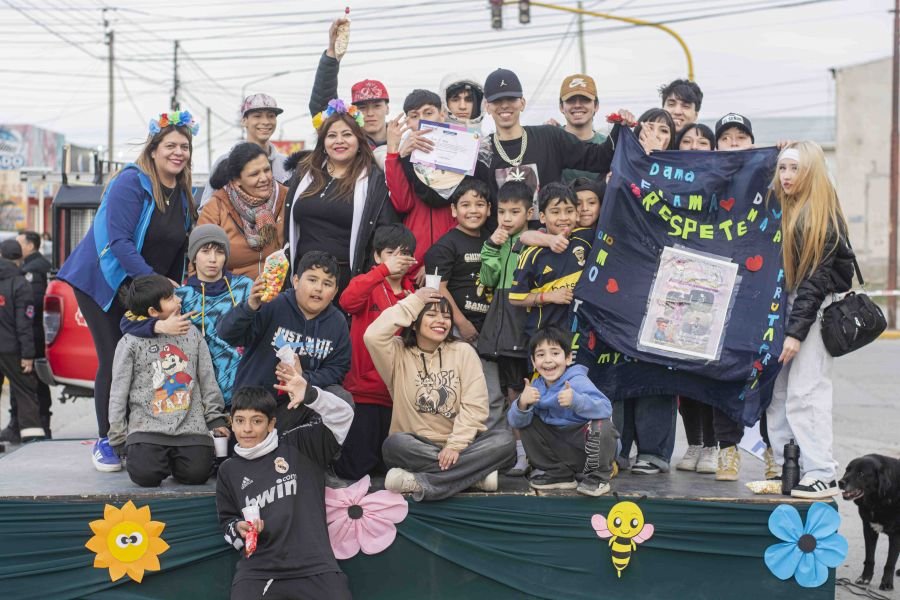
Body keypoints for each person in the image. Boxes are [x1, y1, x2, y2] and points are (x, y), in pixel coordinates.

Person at [57, 110, 197, 472]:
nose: (178, 152)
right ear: (153, 149)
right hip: (103, 281)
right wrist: (158, 284)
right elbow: (118, 242)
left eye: (184, 146)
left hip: (143, 285)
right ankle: (107, 439)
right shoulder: (131, 182)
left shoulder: (181, 192)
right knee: (116, 355)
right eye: (170, 145)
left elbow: (177, 248)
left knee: (150, 357)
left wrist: (171, 293)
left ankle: (142, 434)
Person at [365, 288, 515, 501]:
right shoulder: (396, 353)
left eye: (446, 316)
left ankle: (423, 482)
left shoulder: (463, 352)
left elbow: (475, 406)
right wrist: (414, 301)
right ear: (415, 322)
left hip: (462, 447)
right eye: (432, 314)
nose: (441, 321)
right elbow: (372, 335)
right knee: (394, 445)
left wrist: (455, 445)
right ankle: (472, 478)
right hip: (416, 447)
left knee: (505, 441)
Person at [766, 142, 854, 499]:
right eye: (782, 168)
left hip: (813, 310)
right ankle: (791, 467)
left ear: (811, 173)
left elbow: (815, 282)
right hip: (792, 307)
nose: (786, 177)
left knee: (807, 392)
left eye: (794, 169)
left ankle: (821, 472)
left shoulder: (821, 214)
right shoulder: (787, 208)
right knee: (779, 395)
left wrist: (795, 333)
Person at [216, 379, 353, 600]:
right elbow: (227, 522)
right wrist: (239, 529)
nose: (247, 429)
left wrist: (310, 395)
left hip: (315, 566)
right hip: (259, 571)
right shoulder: (228, 470)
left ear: (271, 424)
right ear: (232, 423)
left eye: (257, 421)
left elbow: (343, 416)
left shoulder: (299, 446)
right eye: (240, 421)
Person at [108, 275, 228, 487]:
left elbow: (207, 378)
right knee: (144, 475)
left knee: (197, 475)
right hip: (147, 428)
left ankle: (177, 461)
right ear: (153, 312)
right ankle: (159, 459)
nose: (178, 300)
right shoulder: (130, 342)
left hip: (190, 428)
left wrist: (215, 418)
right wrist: (118, 435)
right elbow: (118, 391)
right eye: (170, 298)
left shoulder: (191, 333)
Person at [120, 225, 254, 408]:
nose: (213, 259)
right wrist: (159, 326)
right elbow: (128, 321)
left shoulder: (245, 287)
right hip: (200, 395)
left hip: (245, 387)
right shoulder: (179, 296)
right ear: (193, 256)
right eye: (205, 251)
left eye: (220, 252)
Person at [217, 251, 351, 434]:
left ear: (335, 291)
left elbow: (337, 369)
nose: (319, 288)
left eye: (327, 284)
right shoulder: (273, 304)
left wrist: (304, 378)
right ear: (295, 281)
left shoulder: (337, 323)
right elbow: (227, 334)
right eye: (312, 280)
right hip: (256, 402)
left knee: (340, 397)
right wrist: (250, 307)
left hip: (298, 405)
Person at [284, 104, 398, 295]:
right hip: (301, 276)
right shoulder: (305, 174)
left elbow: (384, 232)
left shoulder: (373, 180)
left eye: (347, 134)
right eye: (331, 136)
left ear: (359, 139)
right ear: (323, 142)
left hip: (347, 280)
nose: (339, 141)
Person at [334, 224, 416, 481]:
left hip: (399, 395)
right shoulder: (367, 283)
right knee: (355, 468)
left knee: (389, 468)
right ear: (378, 256)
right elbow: (347, 302)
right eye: (391, 253)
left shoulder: (414, 293)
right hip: (364, 392)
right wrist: (381, 272)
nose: (397, 260)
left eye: (404, 254)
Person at [479, 68, 619, 216]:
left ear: (522, 103)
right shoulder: (482, 152)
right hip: (504, 238)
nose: (505, 105)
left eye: (511, 99)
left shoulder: (549, 137)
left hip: (553, 236)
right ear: (487, 106)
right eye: (497, 100)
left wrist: (620, 127)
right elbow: (473, 200)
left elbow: (599, 158)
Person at [508, 327, 617, 496]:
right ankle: (559, 474)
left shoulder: (577, 381)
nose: (548, 360)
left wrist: (576, 400)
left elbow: (605, 407)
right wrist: (522, 402)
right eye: (541, 355)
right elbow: (515, 422)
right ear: (533, 360)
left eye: (554, 353)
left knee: (602, 424)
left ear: (568, 358)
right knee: (526, 419)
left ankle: (598, 478)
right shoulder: (535, 386)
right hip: (560, 451)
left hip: (588, 452)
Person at [478, 180, 533, 474]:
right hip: (502, 328)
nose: (507, 218)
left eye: (515, 211)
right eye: (502, 212)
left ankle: (534, 452)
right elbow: (488, 278)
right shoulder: (498, 242)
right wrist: (491, 246)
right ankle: (519, 451)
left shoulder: (535, 240)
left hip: (527, 327)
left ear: (530, 212)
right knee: (512, 393)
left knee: (530, 391)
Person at [384, 92, 457, 281]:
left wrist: (437, 259)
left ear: (442, 115)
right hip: (412, 265)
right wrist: (396, 155)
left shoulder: (459, 150)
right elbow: (402, 204)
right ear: (407, 122)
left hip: (452, 259)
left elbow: (464, 209)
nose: (423, 121)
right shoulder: (402, 155)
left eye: (429, 113)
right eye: (415, 116)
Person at [509, 183, 593, 340]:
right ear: (542, 217)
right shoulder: (532, 254)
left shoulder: (587, 238)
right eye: (555, 212)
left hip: (581, 336)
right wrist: (549, 296)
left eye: (569, 211)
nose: (563, 218)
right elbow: (515, 297)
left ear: (577, 214)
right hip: (543, 337)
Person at [200, 142, 287, 279]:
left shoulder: (286, 198)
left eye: (267, 170)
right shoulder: (217, 206)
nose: (264, 178)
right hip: (232, 293)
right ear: (236, 180)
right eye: (254, 174)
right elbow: (200, 259)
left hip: (278, 288)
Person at [310, 18, 390, 167]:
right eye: (363, 107)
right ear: (354, 111)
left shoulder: (404, 140)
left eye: (377, 106)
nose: (370, 113)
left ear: (387, 108)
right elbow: (322, 102)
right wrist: (332, 54)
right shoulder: (346, 144)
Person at [424, 178, 492, 345]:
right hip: (456, 328)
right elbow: (438, 289)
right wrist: (461, 323)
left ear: (489, 209)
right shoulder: (445, 246)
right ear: (454, 210)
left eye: (480, 204)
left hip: (488, 326)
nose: (473, 210)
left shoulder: (492, 240)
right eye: (466, 205)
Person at [0, 231, 52, 441]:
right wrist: (28, 355)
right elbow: (24, 323)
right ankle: (32, 436)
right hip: (13, 349)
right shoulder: (21, 284)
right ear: (20, 258)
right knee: (25, 390)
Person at [200, 93, 290, 207]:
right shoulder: (226, 161)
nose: (266, 122)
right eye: (257, 116)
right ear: (244, 121)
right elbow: (206, 209)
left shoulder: (286, 165)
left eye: (271, 116)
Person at [556, 74, 608, 183]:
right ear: (561, 107)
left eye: (585, 100)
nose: (577, 105)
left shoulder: (607, 146)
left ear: (596, 106)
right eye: (571, 100)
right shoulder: (550, 142)